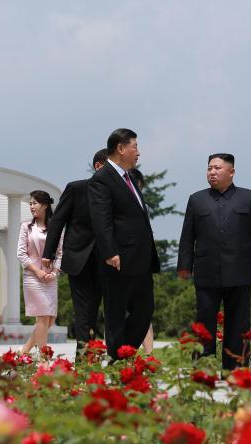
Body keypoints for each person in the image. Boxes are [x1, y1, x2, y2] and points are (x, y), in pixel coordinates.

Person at [177, 153, 251, 370]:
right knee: (204, 323)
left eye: (217, 168)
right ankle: (203, 368)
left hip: (240, 271)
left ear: (231, 171)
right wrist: (184, 264)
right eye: (209, 168)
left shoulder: (248, 197)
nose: (212, 172)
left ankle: (236, 369)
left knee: (239, 323)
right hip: (206, 271)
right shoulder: (196, 199)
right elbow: (187, 235)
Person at [88, 128, 160, 360]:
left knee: (145, 309)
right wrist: (110, 251)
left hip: (140, 259)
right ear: (121, 148)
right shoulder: (102, 179)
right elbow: (101, 219)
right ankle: (119, 360)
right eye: (135, 147)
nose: (138, 152)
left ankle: (121, 355)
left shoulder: (129, 178)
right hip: (117, 259)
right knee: (116, 313)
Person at [41, 149, 108, 357]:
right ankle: (84, 357)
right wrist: (48, 253)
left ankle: (96, 352)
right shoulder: (77, 188)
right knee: (82, 309)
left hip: (106, 258)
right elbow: (58, 220)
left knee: (96, 310)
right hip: (79, 257)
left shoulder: (117, 193)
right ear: (98, 166)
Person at [18, 191, 61, 355]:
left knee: (50, 320)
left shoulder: (56, 228)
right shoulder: (26, 227)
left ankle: (24, 351)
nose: (31, 206)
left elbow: (61, 252)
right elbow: (21, 253)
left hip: (50, 278)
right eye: (30, 203)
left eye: (34, 203)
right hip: (32, 277)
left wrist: (55, 272)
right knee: (43, 317)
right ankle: (44, 360)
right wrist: (37, 271)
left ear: (45, 205)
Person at [127, 168, 154, 354]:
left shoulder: (143, 206)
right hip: (121, 265)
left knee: (144, 311)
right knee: (118, 313)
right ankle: (121, 353)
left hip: (142, 264)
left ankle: (149, 354)